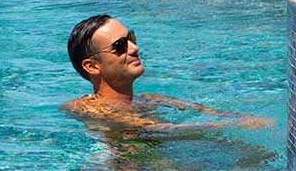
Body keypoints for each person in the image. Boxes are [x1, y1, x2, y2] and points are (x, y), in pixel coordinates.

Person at [61, 14, 273, 130]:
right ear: (92, 66)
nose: (135, 48)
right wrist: (237, 125)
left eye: (131, 38)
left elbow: (211, 113)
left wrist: (244, 119)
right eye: (120, 45)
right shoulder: (86, 108)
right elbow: (161, 128)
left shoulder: (151, 99)